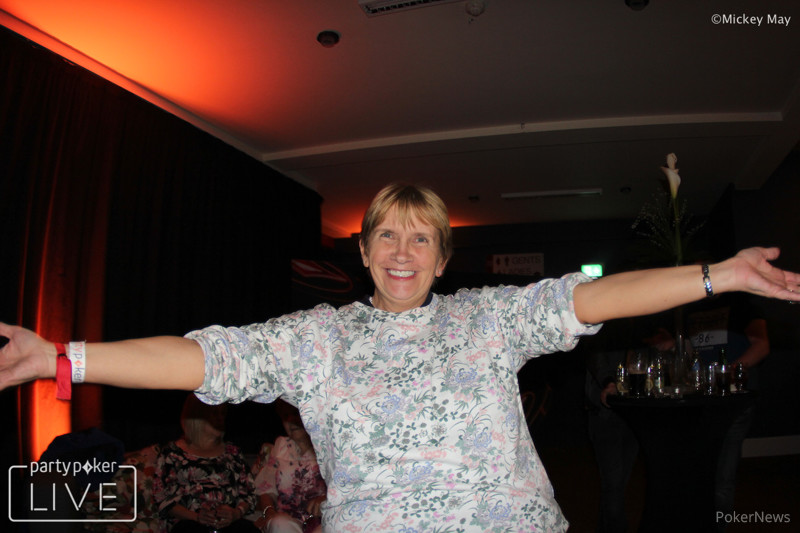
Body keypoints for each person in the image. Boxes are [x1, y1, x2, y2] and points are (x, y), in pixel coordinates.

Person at [1, 183, 798, 533]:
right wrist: (62, 357)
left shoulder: (490, 319)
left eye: (422, 236)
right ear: (365, 250)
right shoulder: (316, 338)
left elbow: (595, 299)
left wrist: (717, 275)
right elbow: (200, 360)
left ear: (443, 257)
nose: (404, 249)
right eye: (388, 232)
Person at [153, 394, 258, 533]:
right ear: (197, 417)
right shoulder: (172, 454)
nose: (220, 418)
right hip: (189, 523)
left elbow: (250, 494)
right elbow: (162, 499)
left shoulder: (232, 452)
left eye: (223, 413)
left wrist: (236, 513)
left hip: (229, 524)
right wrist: (196, 516)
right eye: (214, 413)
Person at [253, 399, 327, 533]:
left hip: (322, 519)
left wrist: (326, 498)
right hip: (288, 520)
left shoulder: (326, 446)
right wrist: (269, 511)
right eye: (286, 416)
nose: (291, 420)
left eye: (295, 413)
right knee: (279, 523)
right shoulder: (281, 445)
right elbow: (266, 488)